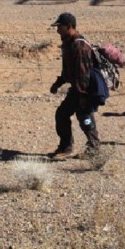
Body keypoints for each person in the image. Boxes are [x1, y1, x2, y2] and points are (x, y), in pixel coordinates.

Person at [49, 12, 101, 160]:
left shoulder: (79, 46)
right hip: (78, 89)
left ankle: (92, 149)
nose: (58, 30)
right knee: (64, 114)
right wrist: (58, 83)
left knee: (84, 117)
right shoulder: (69, 44)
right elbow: (68, 70)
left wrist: (83, 95)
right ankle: (68, 146)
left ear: (69, 26)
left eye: (60, 27)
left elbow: (83, 73)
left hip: (84, 89)